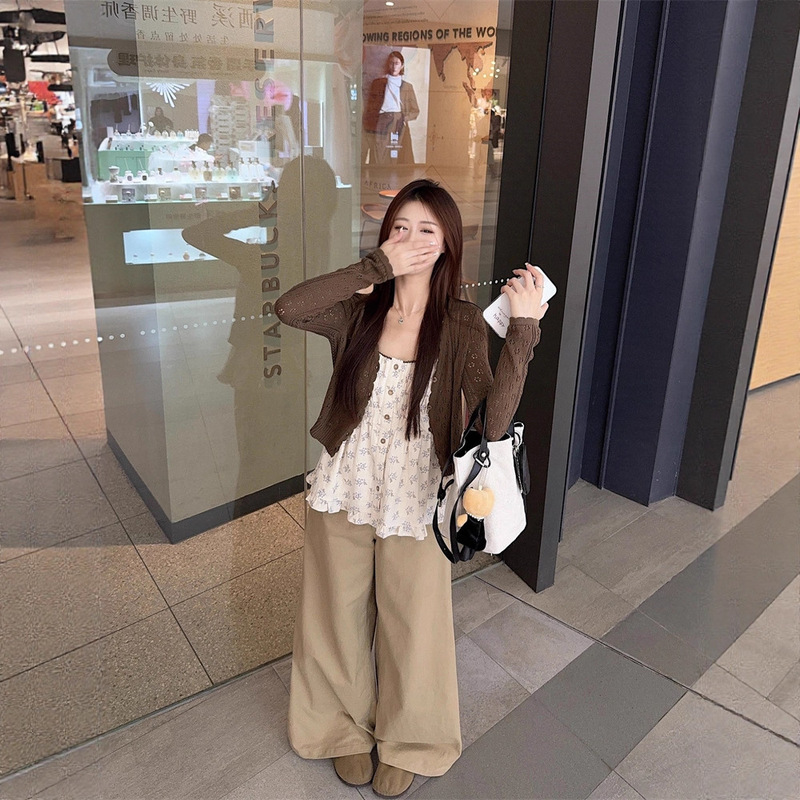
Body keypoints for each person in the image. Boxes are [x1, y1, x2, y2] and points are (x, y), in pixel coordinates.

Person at [275, 179, 548, 797]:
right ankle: (339, 729)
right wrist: (374, 268)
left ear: (448, 244)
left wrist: (523, 331)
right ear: (384, 238)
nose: (412, 239)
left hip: (419, 492)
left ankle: (413, 741)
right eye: (400, 227)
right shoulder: (357, 311)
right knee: (333, 614)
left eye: (427, 229)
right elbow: (289, 308)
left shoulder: (461, 324)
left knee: (414, 623)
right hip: (345, 484)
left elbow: (493, 422)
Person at [362, 51, 420, 165]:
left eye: (397, 63)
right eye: (391, 63)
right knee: (379, 153)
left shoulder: (407, 87)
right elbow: (370, 107)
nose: (394, 66)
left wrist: (404, 118)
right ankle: (380, 174)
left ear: (402, 65)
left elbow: (415, 110)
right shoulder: (378, 83)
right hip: (382, 121)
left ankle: (396, 174)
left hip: (398, 122)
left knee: (397, 153)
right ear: (388, 64)